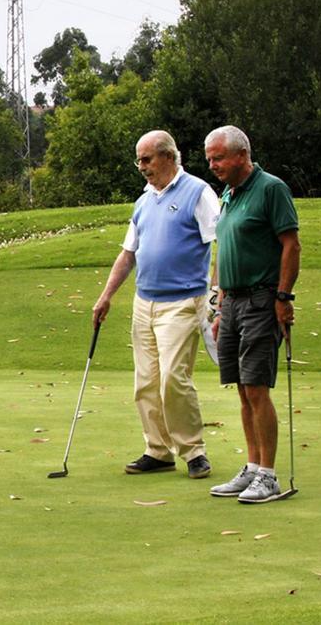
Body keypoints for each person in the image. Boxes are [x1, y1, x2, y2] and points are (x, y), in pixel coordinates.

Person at [92, 130, 219, 480]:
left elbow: (220, 240)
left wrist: (217, 292)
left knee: (173, 379)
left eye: (146, 159)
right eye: (139, 160)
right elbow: (128, 253)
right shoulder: (144, 201)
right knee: (145, 382)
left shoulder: (198, 191)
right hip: (144, 302)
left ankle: (193, 451)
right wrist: (106, 295)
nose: (141, 167)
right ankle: (158, 450)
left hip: (183, 301)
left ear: (167, 156)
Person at [205, 125, 300, 504]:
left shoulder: (271, 189)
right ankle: (252, 466)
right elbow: (226, 249)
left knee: (257, 386)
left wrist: (283, 296)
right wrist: (219, 304)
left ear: (242, 155)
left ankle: (269, 475)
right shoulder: (228, 193)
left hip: (262, 300)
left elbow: (290, 245)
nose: (213, 164)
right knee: (243, 388)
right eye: (209, 158)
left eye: (219, 157)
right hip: (232, 303)